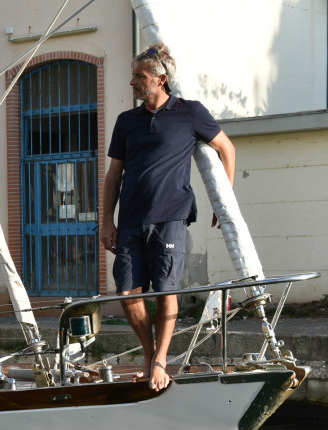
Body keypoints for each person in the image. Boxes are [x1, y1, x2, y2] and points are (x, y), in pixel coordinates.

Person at [99, 43, 235, 391]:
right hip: (130, 220)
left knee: (165, 289)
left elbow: (226, 148)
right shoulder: (126, 121)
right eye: (133, 75)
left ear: (160, 79)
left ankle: (159, 361)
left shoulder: (190, 113)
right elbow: (114, 175)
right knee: (127, 292)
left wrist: (223, 202)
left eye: (139, 76)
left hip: (170, 218)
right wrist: (107, 221)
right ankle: (149, 356)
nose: (132, 81)